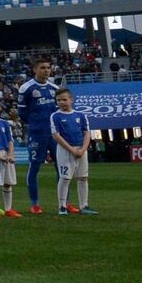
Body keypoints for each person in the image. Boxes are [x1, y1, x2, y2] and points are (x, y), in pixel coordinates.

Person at [18, 57, 61, 215]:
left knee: (61, 167)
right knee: (35, 166)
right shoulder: (26, 88)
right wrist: (35, 123)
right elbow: (22, 112)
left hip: (55, 134)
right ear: (35, 69)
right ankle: (35, 204)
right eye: (42, 67)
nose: (46, 70)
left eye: (48, 67)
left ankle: (64, 202)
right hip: (37, 133)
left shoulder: (54, 87)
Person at [51, 87, 94, 216]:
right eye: (59, 100)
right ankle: (62, 206)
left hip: (81, 149)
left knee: (83, 177)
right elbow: (56, 135)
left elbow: (87, 133)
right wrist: (71, 149)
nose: (62, 102)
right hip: (65, 150)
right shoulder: (55, 116)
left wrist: (83, 149)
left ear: (71, 100)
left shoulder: (81, 115)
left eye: (64, 99)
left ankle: (84, 205)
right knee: (65, 178)